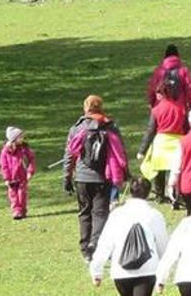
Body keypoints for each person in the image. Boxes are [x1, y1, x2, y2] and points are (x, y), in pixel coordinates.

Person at [64, 95, 129, 261]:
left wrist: (67, 177)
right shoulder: (110, 126)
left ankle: (85, 249)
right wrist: (125, 172)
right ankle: (96, 243)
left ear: (85, 108)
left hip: (82, 178)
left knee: (84, 213)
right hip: (103, 178)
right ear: (101, 107)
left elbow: (70, 155)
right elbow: (120, 151)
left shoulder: (76, 128)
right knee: (101, 213)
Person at [90, 177, 169, 296]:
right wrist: (163, 273)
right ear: (148, 193)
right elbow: (163, 245)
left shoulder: (117, 214)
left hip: (121, 270)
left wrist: (96, 270)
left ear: (130, 191)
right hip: (147, 269)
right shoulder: (154, 215)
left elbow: (105, 244)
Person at [138, 82, 186, 204]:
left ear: (162, 93)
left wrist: (142, 150)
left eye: (158, 92)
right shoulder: (181, 108)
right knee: (175, 169)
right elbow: (186, 127)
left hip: (161, 142)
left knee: (158, 169)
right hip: (177, 141)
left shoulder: (156, 110)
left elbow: (150, 130)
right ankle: (175, 195)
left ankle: (159, 194)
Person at [0, 126, 35, 220]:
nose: (22, 139)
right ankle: (16, 211)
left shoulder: (24, 148)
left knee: (22, 194)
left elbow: (31, 159)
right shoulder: (5, 151)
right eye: (20, 137)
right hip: (11, 178)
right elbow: (4, 166)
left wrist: (30, 171)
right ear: (13, 139)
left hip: (22, 176)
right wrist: (6, 178)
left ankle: (23, 210)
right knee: (13, 195)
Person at [147, 44, 191, 112]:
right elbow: (190, 89)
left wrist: (152, 103)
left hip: (161, 109)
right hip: (180, 109)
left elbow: (152, 89)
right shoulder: (184, 71)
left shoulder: (159, 71)